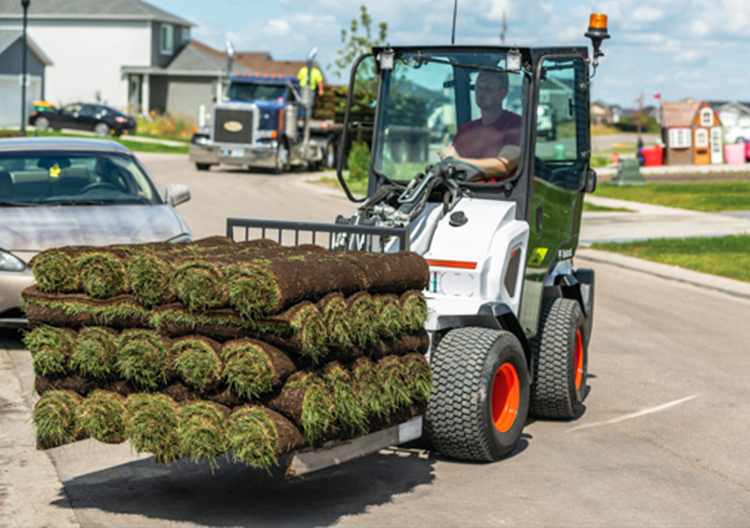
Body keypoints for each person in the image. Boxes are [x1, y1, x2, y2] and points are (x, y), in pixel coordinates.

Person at [437, 70, 522, 181]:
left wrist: (460, 162)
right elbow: (453, 163)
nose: (481, 93)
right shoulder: (465, 130)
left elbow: (504, 166)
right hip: (466, 195)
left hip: (501, 196)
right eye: (478, 87)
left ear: (503, 93)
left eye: (488, 88)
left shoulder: (516, 124)